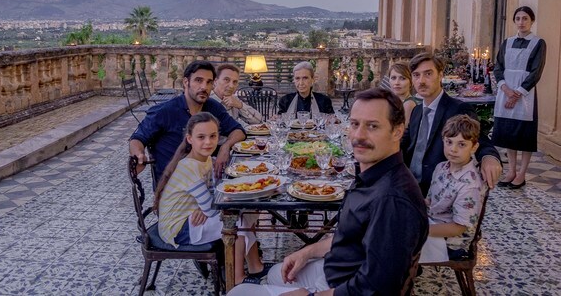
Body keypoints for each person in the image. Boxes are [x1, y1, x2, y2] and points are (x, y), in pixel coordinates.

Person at [229, 88, 428, 296]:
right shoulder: (373, 174)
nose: (358, 135)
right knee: (275, 274)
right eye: (354, 124)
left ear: (397, 131)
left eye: (372, 126)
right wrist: (308, 251)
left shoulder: (392, 199)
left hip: (344, 286)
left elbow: (376, 289)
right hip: (337, 270)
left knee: (239, 292)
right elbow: (352, 235)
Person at [155, 112, 269, 285]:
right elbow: (211, 206)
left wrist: (204, 206)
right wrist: (205, 207)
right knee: (238, 220)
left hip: (193, 216)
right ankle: (237, 278)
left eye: (213, 136)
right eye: (201, 137)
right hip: (179, 228)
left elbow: (214, 191)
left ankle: (255, 266)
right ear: (189, 139)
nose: (208, 142)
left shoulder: (205, 159)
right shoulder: (189, 167)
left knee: (247, 211)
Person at [401, 53, 502, 196]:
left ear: (440, 75)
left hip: (438, 188)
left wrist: (489, 158)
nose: (421, 81)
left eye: (428, 74)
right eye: (416, 75)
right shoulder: (417, 111)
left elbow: (480, 140)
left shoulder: (457, 109)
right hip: (408, 184)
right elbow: (405, 143)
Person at [129, 60, 245, 181]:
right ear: (186, 82)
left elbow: (238, 130)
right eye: (198, 80)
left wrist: (225, 147)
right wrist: (138, 154)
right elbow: (137, 138)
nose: (204, 87)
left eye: (209, 82)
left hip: (206, 180)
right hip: (173, 186)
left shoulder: (212, 107)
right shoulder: (165, 111)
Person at [420, 114, 487, 263]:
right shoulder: (441, 168)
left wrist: (420, 230)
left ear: (474, 147)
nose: (453, 149)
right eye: (449, 142)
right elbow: (431, 202)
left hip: (452, 242)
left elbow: (459, 228)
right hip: (433, 221)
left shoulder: (470, 184)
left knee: (397, 241)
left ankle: (403, 276)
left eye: (462, 144)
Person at [493, 6, 547, 189]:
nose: (521, 22)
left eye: (525, 18)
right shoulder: (506, 42)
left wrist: (517, 94)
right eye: (518, 18)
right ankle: (511, 171)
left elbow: (536, 72)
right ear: (514, 21)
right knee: (509, 133)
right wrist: (506, 90)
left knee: (523, 134)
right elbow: (498, 67)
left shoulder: (538, 43)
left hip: (525, 95)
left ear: (532, 21)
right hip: (505, 91)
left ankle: (522, 173)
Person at [211, 63, 263, 128]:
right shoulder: (207, 101)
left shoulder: (234, 99)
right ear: (215, 81)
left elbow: (259, 120)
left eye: (235, 82)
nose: (231, 86)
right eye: (226, 80)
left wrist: (240, 105)